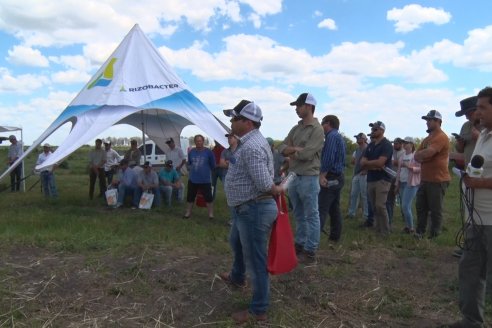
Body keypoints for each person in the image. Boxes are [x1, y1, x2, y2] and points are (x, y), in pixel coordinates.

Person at [219, 99, 282, 324]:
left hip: (253, 209)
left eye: (234, 118)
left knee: (256, 261)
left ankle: (259, 309)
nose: (231, 122)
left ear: (247, 122)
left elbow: (265, 184)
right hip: (244, 208)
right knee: (236, 241)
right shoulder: (248, 143)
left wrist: (278, 189)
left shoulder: (252, 147)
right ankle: (237, 277)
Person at [448, 87, 492, 328]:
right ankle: (471, 321)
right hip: (475, 217)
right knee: (471, 270)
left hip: (491, 220)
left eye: (483, 107)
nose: (478, 113)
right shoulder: (484, 135)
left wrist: (479, 183)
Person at [277, 92, 324, 260]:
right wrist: (296, 149)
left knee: (311, 214)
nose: (296, 109)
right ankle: (300, 242)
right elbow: (281, 147)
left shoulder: (317, 130)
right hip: (294, 176)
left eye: (299, 106)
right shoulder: (296, 128)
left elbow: (307, 155)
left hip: (309, 177)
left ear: (309, 107)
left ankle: (310, 249)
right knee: (298, 213)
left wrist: (292, 151)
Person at [414, 110, 451, 239]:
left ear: (438, 122)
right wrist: (425, 156)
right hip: (425, 179)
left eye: (430, 120)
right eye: (427, 120)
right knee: (420, 206)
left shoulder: (441, 137)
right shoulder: (426, 139)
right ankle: (420, 232)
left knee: (435, 209)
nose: (427, 122)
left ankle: (435, 235)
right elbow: (416, 155)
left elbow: (428, 153)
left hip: (438, 179)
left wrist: (425, 156)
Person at [360, 121, 393, 235]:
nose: (372, 131)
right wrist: (373, 165)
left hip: (383, 179)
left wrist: (369, 164)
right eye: (372, 129)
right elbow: (362, 162)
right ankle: (378, 228)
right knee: (374, 206)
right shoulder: (371, 145)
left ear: (382, 131)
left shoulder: (387, 144)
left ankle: (385, 231)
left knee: (380, 205)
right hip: (371, 178)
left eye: (375, 129)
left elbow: (380, 163)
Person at [318, 115, 346, 241]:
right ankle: (335, 236)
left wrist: (322, 175)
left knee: (321, 208)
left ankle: (313, 240)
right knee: (334, 208)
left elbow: (328, 158)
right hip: (338, 177)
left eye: (322, 123)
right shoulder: (338, 136)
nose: (321, 127)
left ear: (328, 123)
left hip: (330, 177)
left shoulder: (331, 137)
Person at [183, 134, 215, 219]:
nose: (198, 142)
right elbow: (189, 163)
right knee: (190, 197)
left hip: (205, 180)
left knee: (208, 198)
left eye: (200, 141)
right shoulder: (192, 151)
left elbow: (213, 165)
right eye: (197, 141)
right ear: (195, 142)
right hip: (193, 179)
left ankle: (210, 214)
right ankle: (188, 213)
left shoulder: (209, 152)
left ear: (203, 141)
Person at [394, 137, 421, 233]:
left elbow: (420, 169)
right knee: (403, 206)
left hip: (411, 183)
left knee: (405, 205)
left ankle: (411, 228)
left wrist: (409, 167)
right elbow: (398, 171)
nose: (404, 144)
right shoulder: (402, 156)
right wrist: (397, 183)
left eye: (406, 142)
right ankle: (407, 226)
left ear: (412, 144)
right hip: (402, 182)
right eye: (403, 142)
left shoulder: (416, 156)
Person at [450, 96, 480, 169]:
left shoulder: (488, 125)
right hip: (469, 170)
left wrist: (479, 137)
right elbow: (460, 150)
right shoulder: (465, 126)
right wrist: (460, 144)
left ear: (478, 110)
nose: (466, 117)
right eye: (465, 115)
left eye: (469, 114)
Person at [347, 133, 369, 220]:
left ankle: (366, 215)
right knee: (353, 194)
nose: (357, 139)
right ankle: (351, 213)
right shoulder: (357, 150)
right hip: (356, 173)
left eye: (359, 138)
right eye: (357, 138)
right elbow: (353, 161)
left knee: (364, 195)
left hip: (364, 174)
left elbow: (370, 160)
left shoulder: (368, 149)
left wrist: (366, 170)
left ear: (364, 139)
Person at [387, 138, 405, 225]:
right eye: (394, 143)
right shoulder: (392, 151)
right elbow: (392, 162)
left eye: (397, 144)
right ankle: (390, 218)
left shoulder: (404, 152)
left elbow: (397, 163)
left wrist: (396, 162)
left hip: (402, 178)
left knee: (402, 199)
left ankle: (405, 218)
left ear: (401, 144)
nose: (395, 145)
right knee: (390, 198)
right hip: (392, 177)